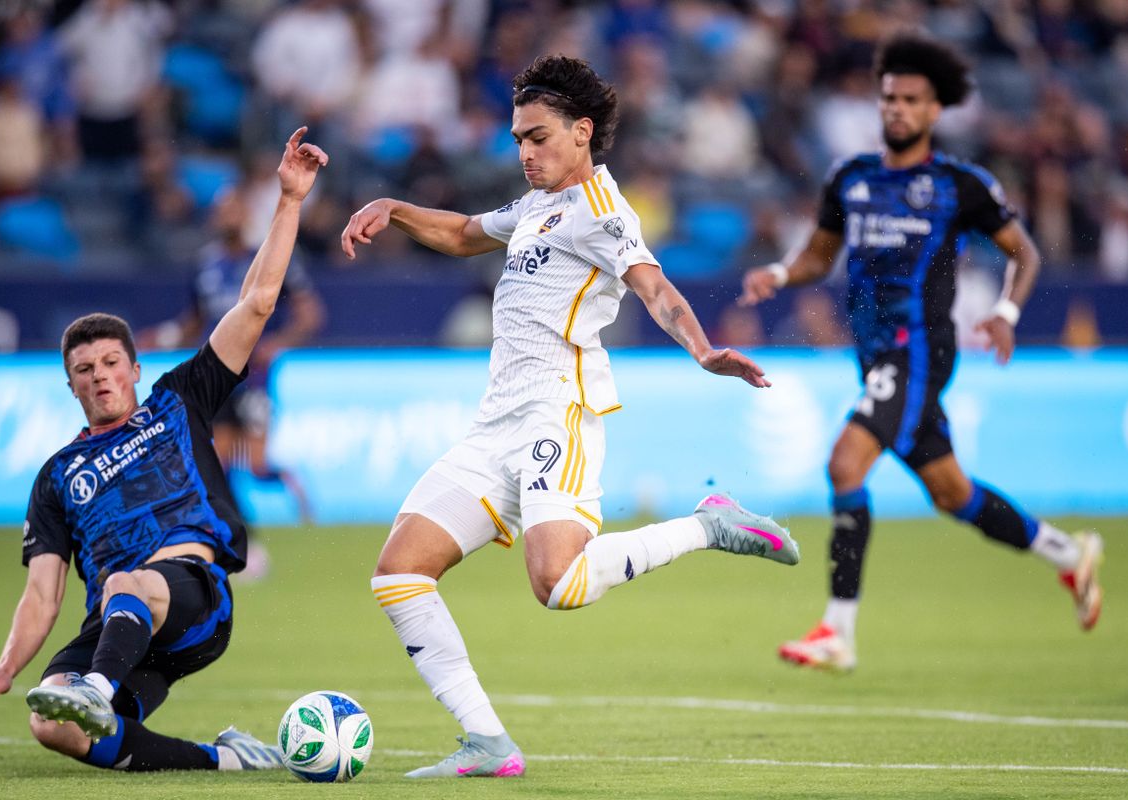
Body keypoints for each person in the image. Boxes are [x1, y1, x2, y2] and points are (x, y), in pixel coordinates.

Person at [341, 54, 800, 780]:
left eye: (539, 137)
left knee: (558, 586)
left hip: (560, 409)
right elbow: (463, 233)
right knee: (398, 574)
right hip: (495, 423)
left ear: (582, 132)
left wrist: (703, 348)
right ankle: (487, 744)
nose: (525, 152)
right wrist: (393, 208)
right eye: (519, 138)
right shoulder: (536, 206)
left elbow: (654, 288)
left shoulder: (604, 214)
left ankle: (709, 525)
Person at [0, 128, 329, 772]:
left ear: (133, 367)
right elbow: (44, 594)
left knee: (130, 587)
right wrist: (10, 664)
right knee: (52, 725)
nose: (99, 375)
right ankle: (227, 760)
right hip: (119, 627)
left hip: (192, 598)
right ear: (69, 384)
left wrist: (288, 200)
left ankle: (97, 691)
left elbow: (259, 303)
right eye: (84, 369)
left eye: (109, 362)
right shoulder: (57, 478)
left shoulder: (179, 400)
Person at [741, 33, 1104, 673]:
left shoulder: (959, 185)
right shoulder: (851, 179)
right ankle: (1070, 557)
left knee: (845, 464)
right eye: (889, 99)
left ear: (936, 110)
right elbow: (820, 257)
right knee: (950, 491)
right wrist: (778, 272)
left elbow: (1025, 252)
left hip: (918, 353)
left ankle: (838, 631)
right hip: (874, 356)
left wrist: (1006, 312)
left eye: (911, 100)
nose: (897, 110)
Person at [141, 171, 326, 576]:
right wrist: (164, 336)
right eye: (221, 210)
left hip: (256, 380)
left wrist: (280, 343)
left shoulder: (269, 259)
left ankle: (289, 484)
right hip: (216, 379)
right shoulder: (205, 266)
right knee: (219, 466)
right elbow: (194, 321)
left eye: (234, 209)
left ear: (245, 215)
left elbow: (310, 312)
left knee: (256, 466)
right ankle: (246, 545)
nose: (227, 216)